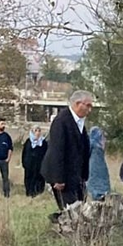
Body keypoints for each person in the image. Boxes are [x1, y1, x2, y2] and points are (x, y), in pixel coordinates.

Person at [41, 90, 94, 221]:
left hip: (76, 175)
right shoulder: (61, 121)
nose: (90, 109)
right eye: (88, 105)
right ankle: (61, 228)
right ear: (77, 104)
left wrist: (84, 175)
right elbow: (56, 150)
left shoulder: (80, 122)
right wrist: (58, 178)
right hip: (63, 176)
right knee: (71, 211)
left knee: (81, 208)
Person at [21, 126, 47, 197]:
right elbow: (24, 153)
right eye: (36, 131)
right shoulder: (28, 142)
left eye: (39, 131)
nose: (38, 133)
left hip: (40, 166)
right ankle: (29, 193)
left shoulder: (43, 143)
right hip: (29, 166)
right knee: (29, 179)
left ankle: (39, 193)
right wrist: (24, 163)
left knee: (39, 179)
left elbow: (46, 154)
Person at [87, 126, 110, 201]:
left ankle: (101, 193)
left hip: (99, 166)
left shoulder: (94, 143)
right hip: (94, 166)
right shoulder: (92, 143)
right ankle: (97, 194)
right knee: (95, 180)